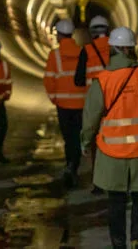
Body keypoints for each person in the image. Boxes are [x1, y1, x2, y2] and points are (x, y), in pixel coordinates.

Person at [81, 27, 138, 249]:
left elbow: (90, 120)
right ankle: (137, 239)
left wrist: (86, 144)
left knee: (115, 203)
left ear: (113, 50)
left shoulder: (103, 81)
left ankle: (118, 244)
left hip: (111, 152)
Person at [44, 18, 87, 187]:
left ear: (60, 35)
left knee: (68, 137)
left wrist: (54, 98)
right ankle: (73, 165)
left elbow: (49, 80)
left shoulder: (54, 55)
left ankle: (70, 165)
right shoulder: (82, 52)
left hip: (63, 104)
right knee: (77, 136)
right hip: (81, 103)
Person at [74, 15, 111, 86]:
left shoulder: (86, 50)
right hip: (114, 94)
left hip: (95, 95)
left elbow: (79, 80)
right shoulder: (117, 48)